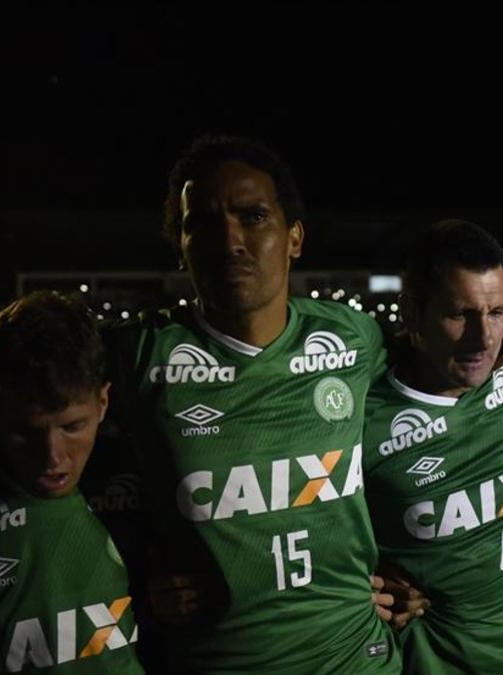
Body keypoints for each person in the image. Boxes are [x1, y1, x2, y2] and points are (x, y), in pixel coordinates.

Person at [100, 134, 404, 673]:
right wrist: (140, 579)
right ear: (181, 246)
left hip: (356, 658)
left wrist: (419, 577)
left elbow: (444, 413)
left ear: (294, 237)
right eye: (204, 225)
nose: (230, 241)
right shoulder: (138, 354)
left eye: (253, 216)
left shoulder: (354, 338)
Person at [362, 220, 503, 674]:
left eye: (495, 314)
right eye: (460, 315)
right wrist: (372, 576)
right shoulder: (365, 417)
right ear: (411, 312)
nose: (485, 338)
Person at [0, 290, 143, 673]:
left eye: (73, 427)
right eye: (26, 432)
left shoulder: (143, 478)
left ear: (103, 403)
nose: (52, 456)